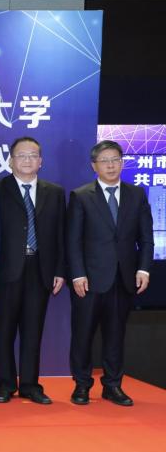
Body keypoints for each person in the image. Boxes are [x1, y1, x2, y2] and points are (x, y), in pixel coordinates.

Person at [67, 140, 153, 406]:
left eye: (115, 159)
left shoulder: (136, 194)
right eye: (105, 160)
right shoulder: (81, 196)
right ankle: (81, 385)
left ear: (122, 162)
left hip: (124, 278)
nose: (111, 165)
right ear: (94, 166)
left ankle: (112, 386)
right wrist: (78, 274)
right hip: (90, 280)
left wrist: (143, 268)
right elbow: (73, 240)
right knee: (83, 334)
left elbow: (146, 238)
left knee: (116, 335)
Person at [0, 137, 66, 405]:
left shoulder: (54, 192)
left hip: (41, 268)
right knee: (4, 329)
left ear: (41, 161)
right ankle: (3, 384)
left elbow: (60, 234)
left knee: (33, 329)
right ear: (10, 160)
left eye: (33, 155)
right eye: (21, 155)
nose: (27, 160)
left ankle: (31, 385)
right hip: (6, 269)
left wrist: (60, 270)